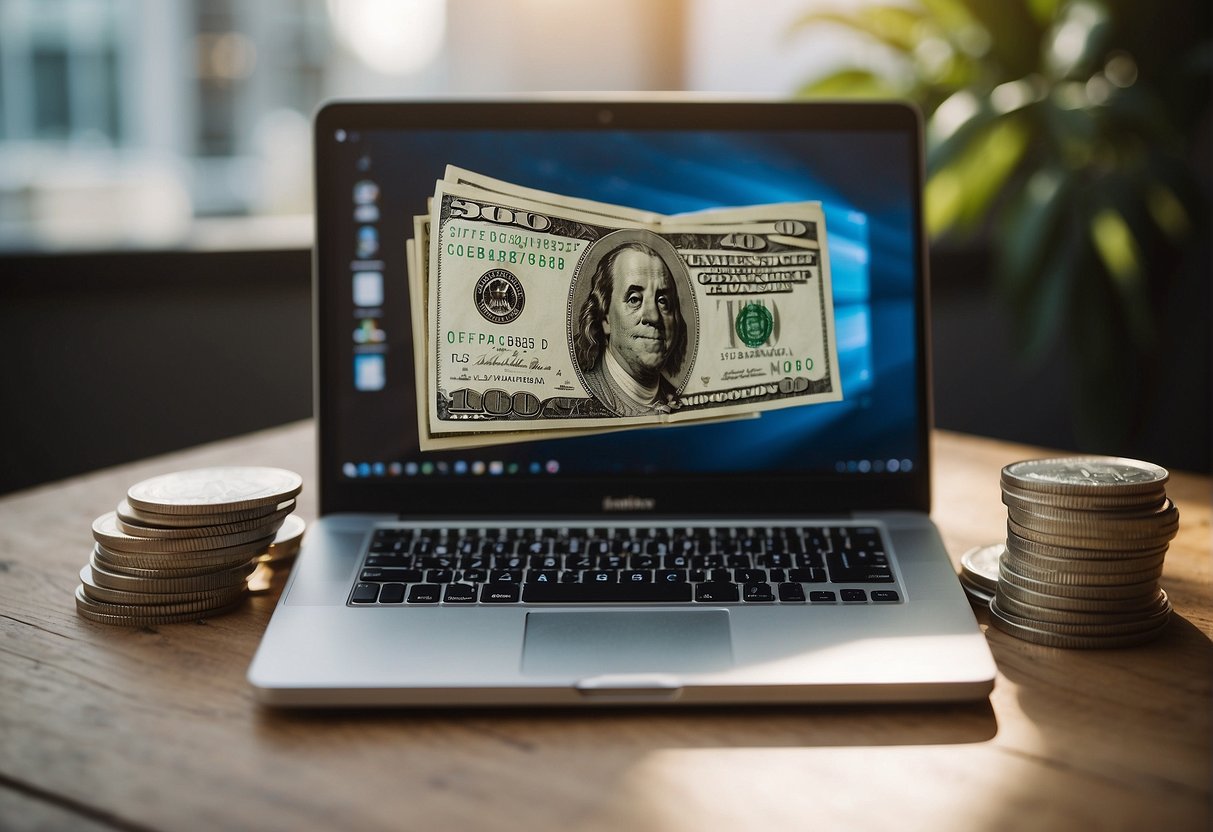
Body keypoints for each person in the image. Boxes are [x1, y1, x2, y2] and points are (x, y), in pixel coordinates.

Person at [573, 240, 688, 417]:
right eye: (634, 299)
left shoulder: (682, 399)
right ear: (605, 318)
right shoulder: (579, 392)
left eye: (663, 301)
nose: (654, 316)